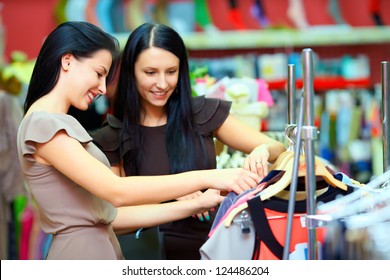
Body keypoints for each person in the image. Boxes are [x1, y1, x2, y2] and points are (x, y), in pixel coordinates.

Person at [16, 21, 262, 260]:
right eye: (99, 73)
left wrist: (197, 204)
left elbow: (110, 215)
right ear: (67, 60)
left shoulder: (55, 124)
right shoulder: (44, 125)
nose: (103, 88)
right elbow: (117, 191)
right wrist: (209, 176)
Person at [92, 22, 286, 260]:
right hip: (150, 257)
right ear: (131, 71)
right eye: (150, 72)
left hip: (215, 250)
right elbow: (113, 216)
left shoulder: (202, 113)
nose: (162, 84)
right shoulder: (113, 135)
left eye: (171, 72)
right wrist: (174, 192)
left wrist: (263, 150)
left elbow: (279, 149)